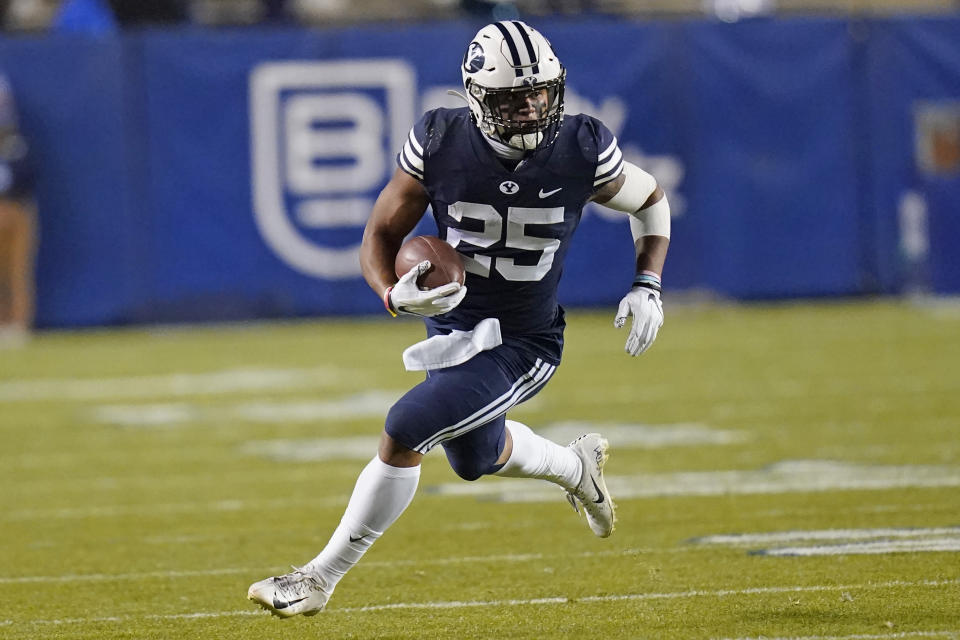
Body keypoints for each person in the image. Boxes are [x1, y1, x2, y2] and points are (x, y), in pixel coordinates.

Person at [248, 20, 671, 617]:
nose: (530, 109)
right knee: (476, 458)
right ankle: (577, 467)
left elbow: (651, 200)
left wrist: (647, 284)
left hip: (524, 340)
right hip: (452, 328)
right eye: (513, 98)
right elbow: (381, 233)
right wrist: (393, 295)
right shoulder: (442, 140)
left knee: (407, 426)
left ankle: (319, 578)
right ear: (477, 97)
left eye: (541, 92)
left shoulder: (582, 146)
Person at [0, 72, 36, 347]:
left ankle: (19, 323)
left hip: (17, 213)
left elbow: (25, 177)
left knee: (18, 271)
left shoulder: (16, 145)